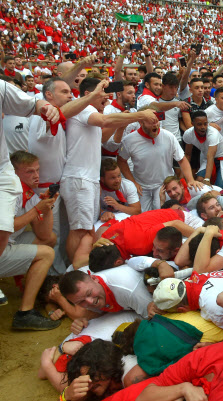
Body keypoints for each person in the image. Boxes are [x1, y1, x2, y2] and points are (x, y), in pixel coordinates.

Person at [60, 78, 158, 263]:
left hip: (85, 178)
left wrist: (121, 122)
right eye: (103, 93)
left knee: (87, 229)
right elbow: (105, 120)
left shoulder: (90, 113)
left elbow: (102, 136)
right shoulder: (83, 108)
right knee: (80, 230)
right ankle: (73, 271)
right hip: (79, 178)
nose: (107, 98)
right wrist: (139, 115)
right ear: (89, 95)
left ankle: (80, 267)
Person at [0, 75, 61, 306]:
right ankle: (27, 309)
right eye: (30, 172)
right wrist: (37, 209)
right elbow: (7, 225)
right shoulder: (11, 189)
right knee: (47, 253)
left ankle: (26, 280)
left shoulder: (31, 194)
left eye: (37, 171)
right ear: (15, 172)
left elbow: (46, 236)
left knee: (51, 240)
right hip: (4, 244)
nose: (36, 176)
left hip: (9, 243)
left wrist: (48, 206)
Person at [117, 111, 198, 212]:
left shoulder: (169, 136)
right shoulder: (129, 140)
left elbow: (181, 159)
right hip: (141, 186)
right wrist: (133, 182)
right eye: (151, 122)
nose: (155, 125)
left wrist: (190, 179)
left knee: (162, 212)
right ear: (141, 123)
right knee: (142, 215)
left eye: (157, 122)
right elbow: (121, 161)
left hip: (164, 185)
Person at [182, 110, 223, 188]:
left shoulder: (213, 133)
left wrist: (207, 179)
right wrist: (182, 176)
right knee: (199, 181)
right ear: (193, 124)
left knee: (220, 187)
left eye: (205, 124)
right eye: (199, 124)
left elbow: (211, 156)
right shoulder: (188, 134)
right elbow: (187, 154)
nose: (203, 127)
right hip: (207, 157)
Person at [98, 158, 141, 225]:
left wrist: (117, 206)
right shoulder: (97, 189)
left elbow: (137, 211)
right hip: (104, 221)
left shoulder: (128, 186)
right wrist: (103, 213)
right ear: (102, 179)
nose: (118, 180)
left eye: (119, 176)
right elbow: (91, 210)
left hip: (125, 218)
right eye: (113, 178)